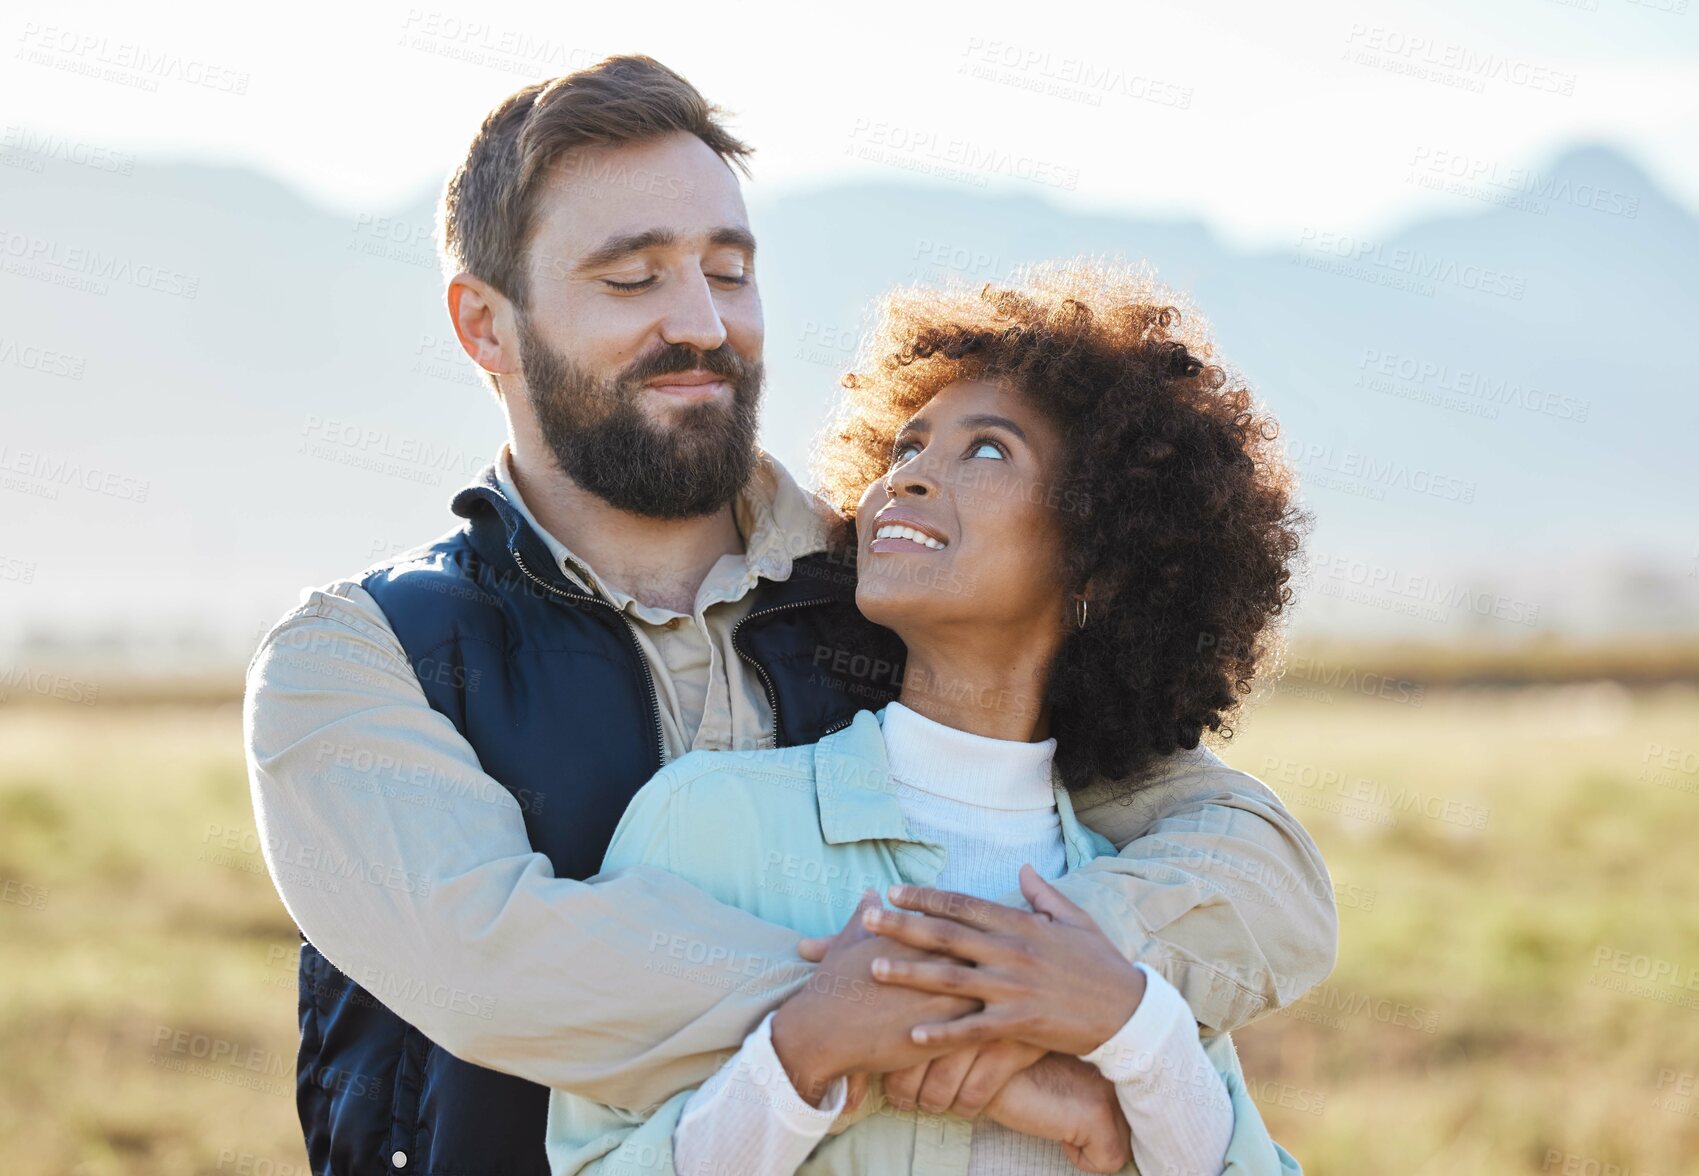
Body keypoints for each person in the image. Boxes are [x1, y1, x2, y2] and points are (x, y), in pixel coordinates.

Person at [244, 56, 1335, 1176]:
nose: (703, 323)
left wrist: (1079, 998)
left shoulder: (909, 601)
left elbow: (1260, 872)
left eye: (728, 270)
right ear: (486, 326)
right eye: (633, 280)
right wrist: (948, 1025)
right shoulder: (361, 661)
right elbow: (494, 969)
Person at [544, 259, 1310, 1174]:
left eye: (986, 450)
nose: (903, 479)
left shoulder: (1122, 909)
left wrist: (1134, 1030)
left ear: (1102, 560)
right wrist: (801, 1056)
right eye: (905, 447)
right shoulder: (707, 818)